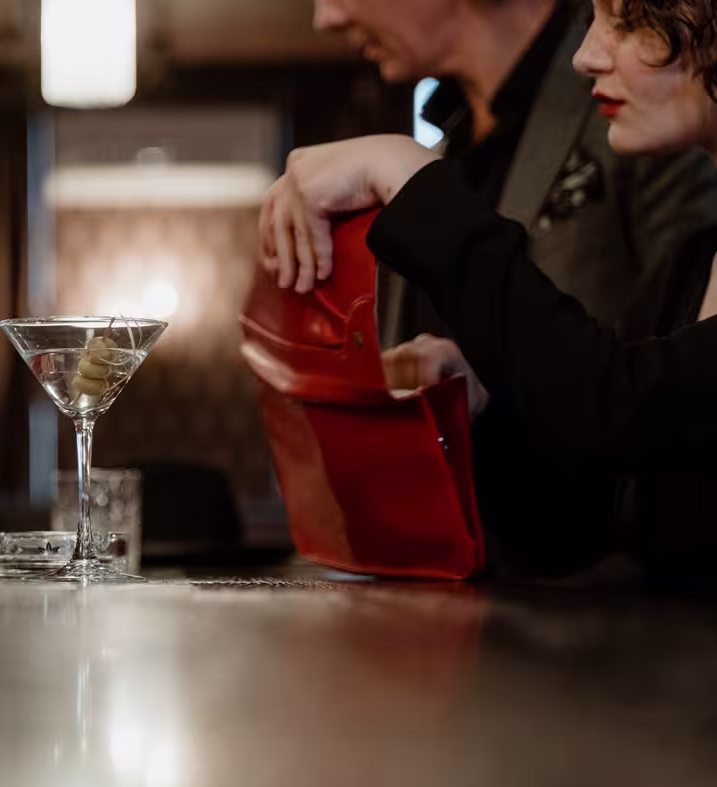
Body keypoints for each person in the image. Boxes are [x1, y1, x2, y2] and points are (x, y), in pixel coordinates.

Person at [263, 0, 717, 586]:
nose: (585, 55)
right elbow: (611, 502)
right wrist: (480, 401)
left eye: (629, 20)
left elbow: (609, 402)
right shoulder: (692, 265)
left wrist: (410, 180)